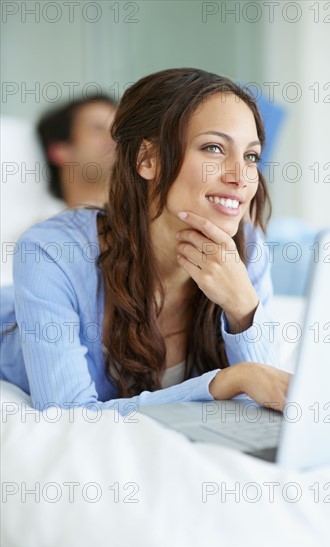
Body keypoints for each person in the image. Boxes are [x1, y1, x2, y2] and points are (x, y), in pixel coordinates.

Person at [0, 68, 291, 415]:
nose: (240, 176)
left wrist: (244, 307)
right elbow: (67, 414)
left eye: (251, 156)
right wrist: (222, 382)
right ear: (147, 159)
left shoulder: (248, 248)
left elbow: (266, 393)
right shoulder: (50, 252)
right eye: (214, 148)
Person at [37, 94, 117, 208]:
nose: (115, 139)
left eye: (117, 131)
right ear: (60, 152)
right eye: (97, 128)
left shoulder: (145, 221)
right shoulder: (45, 225)